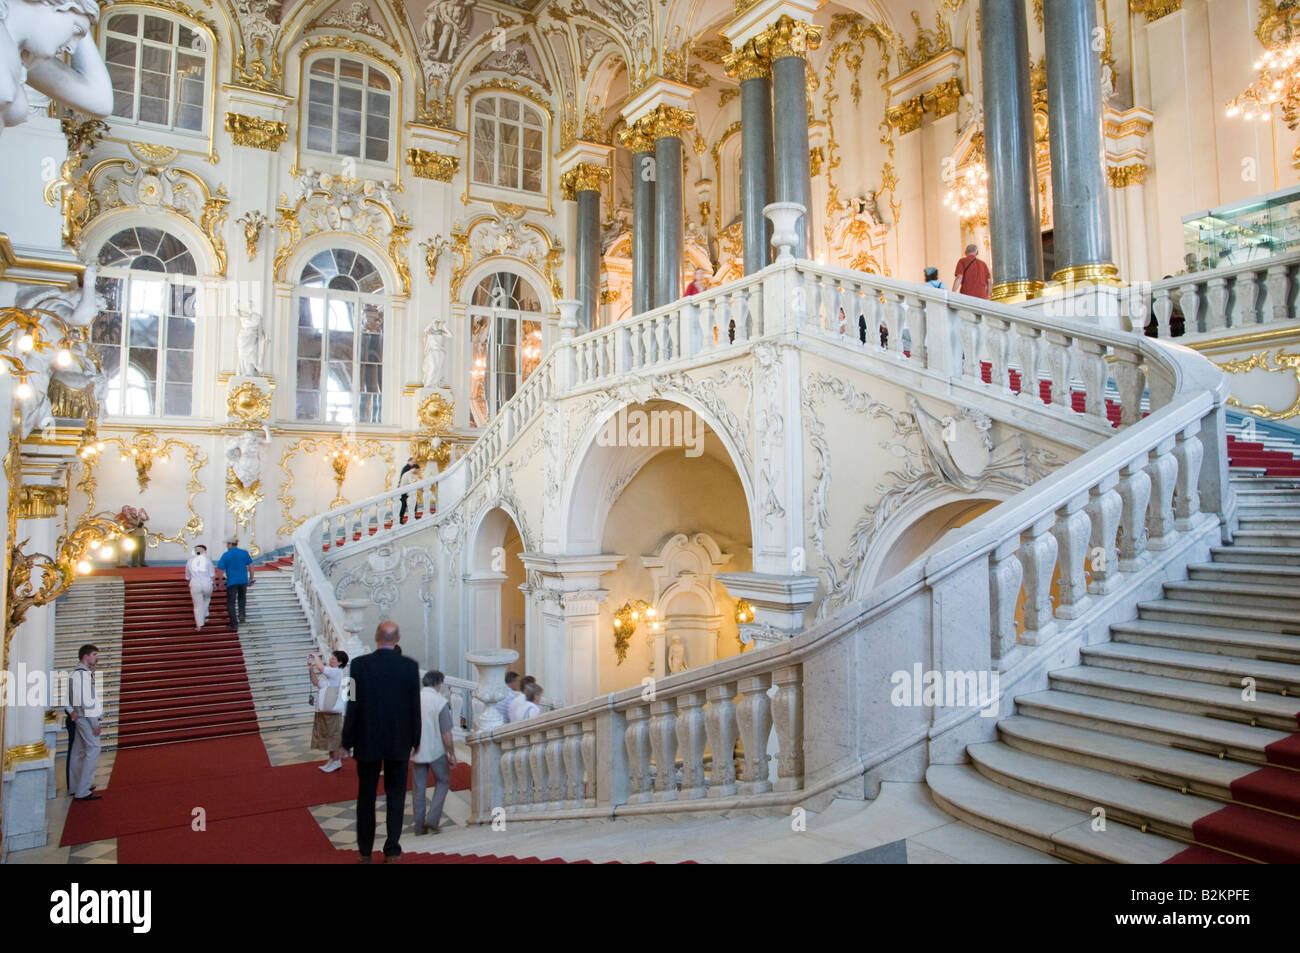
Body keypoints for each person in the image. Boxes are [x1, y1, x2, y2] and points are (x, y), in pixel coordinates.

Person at [337, 621, 421, 863]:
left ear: (376, 637)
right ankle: (392, 849)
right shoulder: (409, 666)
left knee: (366, 797)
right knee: (396, 796)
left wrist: (346, 740)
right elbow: (413, 707)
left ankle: (365, 852)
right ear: (398, 638)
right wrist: (416, 740)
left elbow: (351, 705)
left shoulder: (360, 665)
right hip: (399, 741)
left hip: (367, 740)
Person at [411, 670, 457, 835]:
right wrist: (451, 753)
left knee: (418, 789)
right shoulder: (440, 701)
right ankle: (432, 819)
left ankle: (418, 827)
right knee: (443, 782)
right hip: (436, 750)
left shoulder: (414, 699)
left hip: (417, 749)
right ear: (438, 684)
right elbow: (446, 733)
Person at [66, 643, 103, 801]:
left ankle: (76, 785)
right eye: (94, 655)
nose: (97, 658)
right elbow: (87, 702)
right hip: (86, 719)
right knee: (93, 749)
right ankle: (83, 789)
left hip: (80, 717)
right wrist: (94, 723)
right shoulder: (82, 676)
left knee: (78, 752)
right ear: (85, 656)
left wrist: (70, 710)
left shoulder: (77, 674)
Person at [310, 650, 350, 772]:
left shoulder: (337, 672)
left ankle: (337, 761)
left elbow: (321, 668)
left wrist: (316, 657)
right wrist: (310, 669)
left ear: (340, 662)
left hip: (332, 709)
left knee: (333, 736)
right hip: (323, 708)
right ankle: (331, 760)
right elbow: (316, 682)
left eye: (333, 658)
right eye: (331, 658)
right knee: (327, 735)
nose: (331, 660)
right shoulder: (329, 672)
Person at [216, 538, 253, 630]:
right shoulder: (244, 553)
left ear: (230, 544)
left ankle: (234, 624)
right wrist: (251, 578)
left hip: (232, 582)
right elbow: (251, 566)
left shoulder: (226, 555)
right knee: (242, 599)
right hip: (243, 581)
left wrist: (220, 582)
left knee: (231, 603)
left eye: (227, 544)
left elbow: (220, 570)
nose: (226, 546)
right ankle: (242, 616)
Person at [185, 544, 215, 629]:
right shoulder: (208, 561)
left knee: (198, 605)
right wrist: (215, 584)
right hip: (207, 584)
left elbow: (187, 576)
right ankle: (204, 617)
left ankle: (199, 625)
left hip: (195, 584)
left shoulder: (190, 561)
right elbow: (212, 575)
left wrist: (189, 579)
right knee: (206, 600)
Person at [397, 457, 421, 524]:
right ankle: (400, 520)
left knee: (413, 503)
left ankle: (413, 516)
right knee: (403, 506)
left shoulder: (412, 472)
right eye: (413, 462)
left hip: (408, 491)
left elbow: (418, 480)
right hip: (404, 491)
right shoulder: (407, 470)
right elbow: (409, 482)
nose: (414, 463)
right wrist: (408, 491)